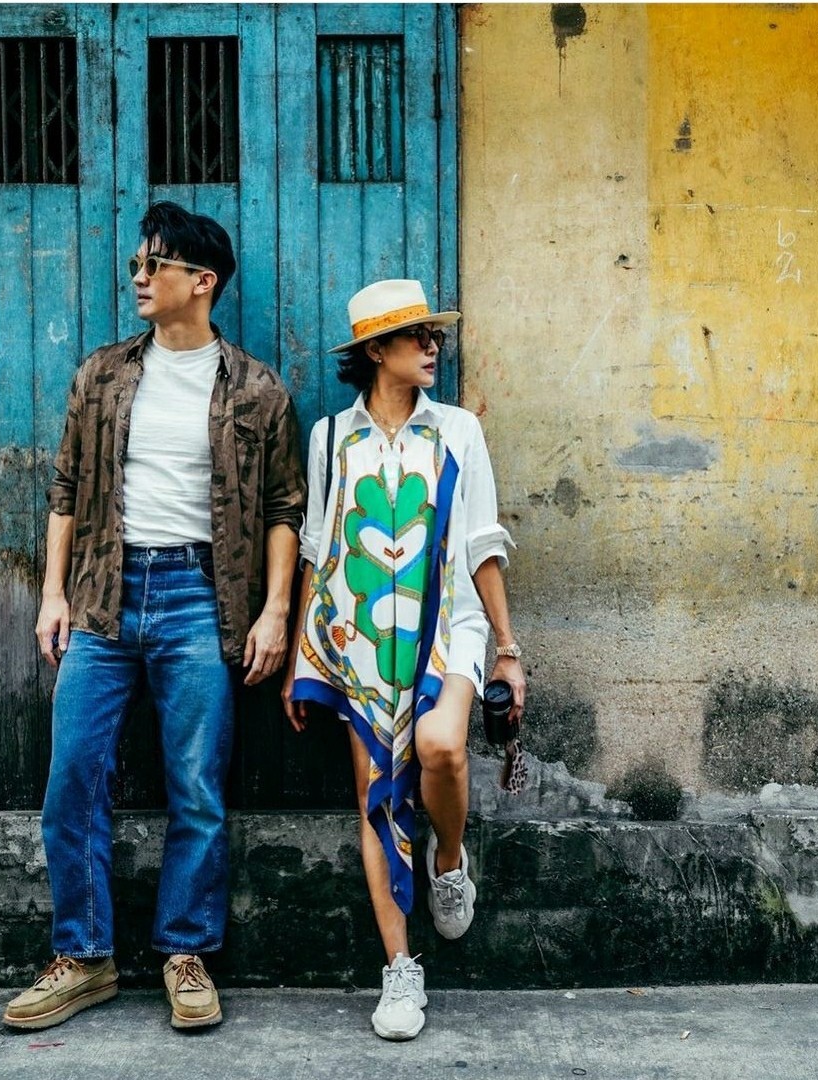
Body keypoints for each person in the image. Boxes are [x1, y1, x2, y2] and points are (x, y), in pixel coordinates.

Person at [3, 202, 306, 1032]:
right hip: (104, 598)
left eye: (154, 265)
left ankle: (186, 952)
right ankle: (85, 957)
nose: (138, 277)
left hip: (200, 598)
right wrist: (54, 594)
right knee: (73, 778)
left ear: (201, 282)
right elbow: (66, 489)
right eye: (138, 264)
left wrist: (276, 611)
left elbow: (285, 507)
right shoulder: (102, 375)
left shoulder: (257, 389)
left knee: (196, 787)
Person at [282, 279, 525, 1041]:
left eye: (434, 336)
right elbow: (318, 550)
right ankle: (399, 967)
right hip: (358, 636)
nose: (431, 347)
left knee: (441, 746)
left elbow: (482, 542)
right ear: (376, 350)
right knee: (375, 798)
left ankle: (447, 861)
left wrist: (507, 650)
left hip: (449, 625)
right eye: (416, 336)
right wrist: (302, 659)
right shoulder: (331, 438)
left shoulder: (457, 430)